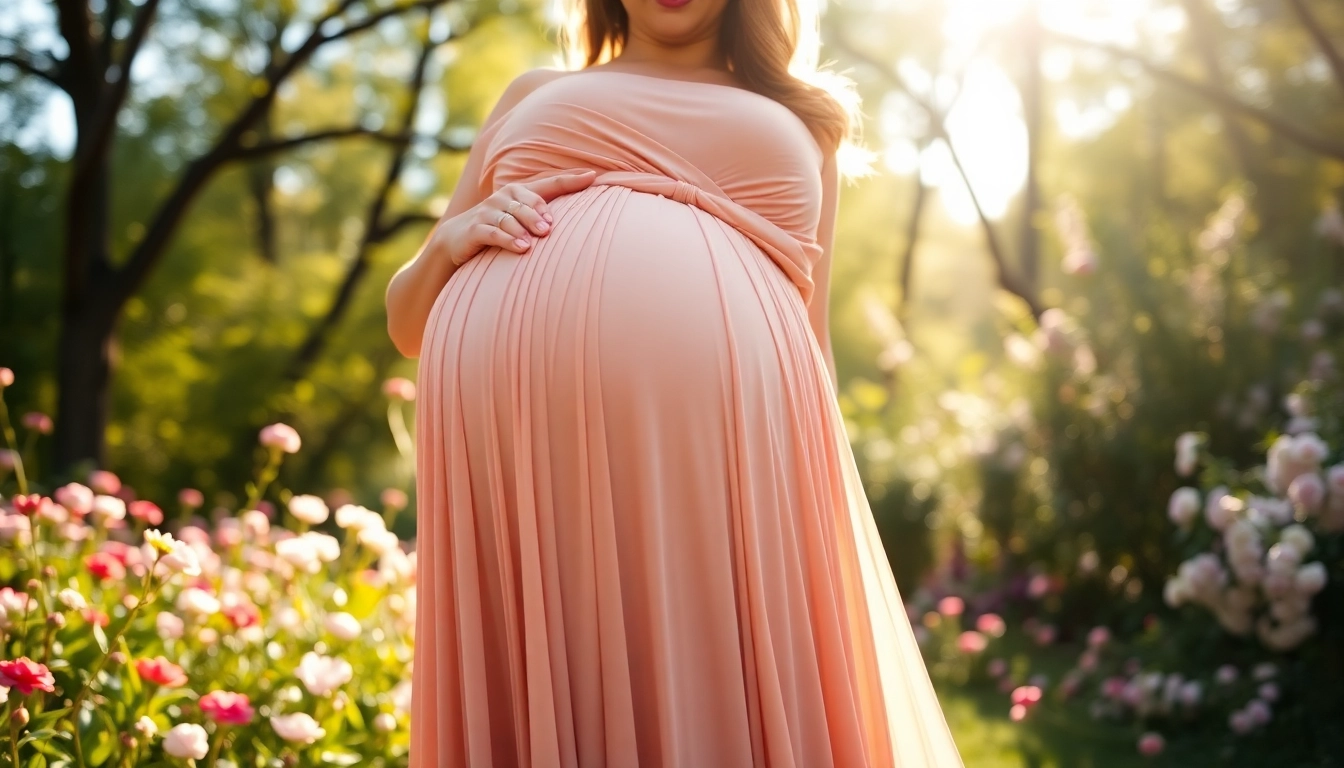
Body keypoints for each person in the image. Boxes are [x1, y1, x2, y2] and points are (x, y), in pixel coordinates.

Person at [384, 0, 966, 761]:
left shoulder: (805, 121)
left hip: (715, 472)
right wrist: (446, 245)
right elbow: (405, 325)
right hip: (522, 464)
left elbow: (807, 338)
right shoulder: (531, 94)